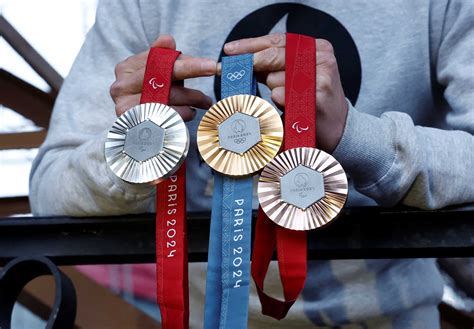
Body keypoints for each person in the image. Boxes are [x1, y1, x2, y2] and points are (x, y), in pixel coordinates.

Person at [30, 0, 474, 328]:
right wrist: (136, 145)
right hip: (198, 317)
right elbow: (50, 190)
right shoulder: (145, 5)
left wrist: (352, 134)